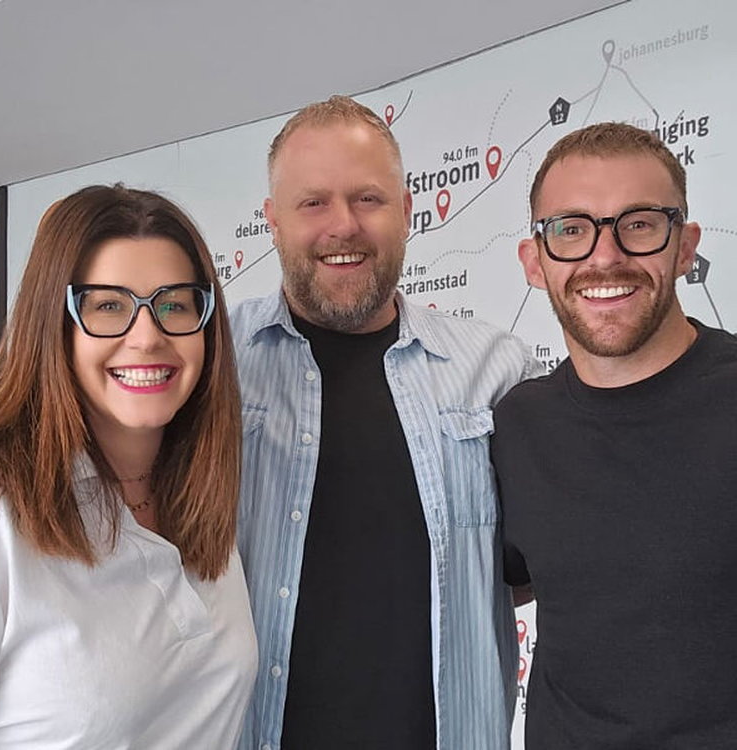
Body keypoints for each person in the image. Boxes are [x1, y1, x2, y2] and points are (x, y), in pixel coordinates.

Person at [231, 95, 539, 750]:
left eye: (368, 199)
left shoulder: (495, 369)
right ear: (273, 222)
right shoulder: (213, 366)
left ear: (405, 211)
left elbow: (543, 564)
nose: (343, 225)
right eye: (313, 203)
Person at [492, 122, 737, 748]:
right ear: (534, 262)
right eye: (571, 229)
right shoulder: (517, 426)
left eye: (640, 223)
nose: (604, 257)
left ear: (685, 247)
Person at [0, 185, 257, 747]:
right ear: (52, 324)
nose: (147, 337)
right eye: (108, 306)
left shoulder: (205, 485)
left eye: (175, 304)